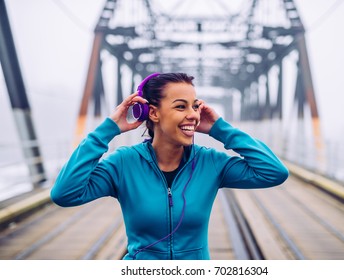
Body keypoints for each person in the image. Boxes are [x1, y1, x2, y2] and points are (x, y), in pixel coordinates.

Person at [50, 72, 289, 260]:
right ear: (153, 113)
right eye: (180, 106)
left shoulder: (210, 163)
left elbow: (274, 172)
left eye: (195, 106)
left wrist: (221, 128)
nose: (193, 115)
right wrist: (106, 131)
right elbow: (65, 193)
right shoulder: (124, 163)